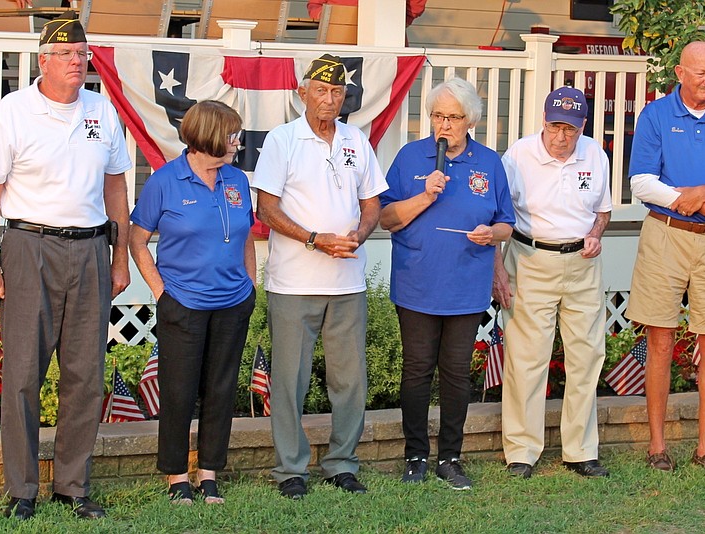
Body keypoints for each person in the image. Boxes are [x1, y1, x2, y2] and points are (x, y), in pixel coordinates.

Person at [0, 11, 131, 520]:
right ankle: (21, 491)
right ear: (43, 60)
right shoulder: (14, 111)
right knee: (22, 373)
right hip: (27, 248)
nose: (77, 62)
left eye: (82, 54)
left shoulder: (102, 112)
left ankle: (72, 485)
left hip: (89, 250)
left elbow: (116, 187)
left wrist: (120, 256)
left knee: (85, 374)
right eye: (66, 54)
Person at [252, 54, 387, 499]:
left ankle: (342, 463)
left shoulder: (356, 139)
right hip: (294, 283)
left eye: (337, 92)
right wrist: (315, 239)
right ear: (302, 93)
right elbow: (266, 209)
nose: (329, 99)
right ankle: (291, 469)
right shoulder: (282, 139)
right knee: (290, 380)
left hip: (347, 282)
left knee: (349, 380)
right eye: (320, 90)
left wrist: (359, 234)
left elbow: (373, 203)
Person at [626, 41, 705, 474]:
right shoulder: (656, 115)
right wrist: (697, 201)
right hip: (665, 236)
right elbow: (642, 182)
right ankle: (657, 446)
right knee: (660, 340)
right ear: (680, 73)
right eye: (701, 73)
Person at [379, 78, 514, 489]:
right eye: (437, 115)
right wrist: (424, 195)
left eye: (452, 117)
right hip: (417, 282)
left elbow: (506, 223)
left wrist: (491, 235)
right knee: (417, 371)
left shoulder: (489, 162)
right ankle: (415, 456)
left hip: (466, 285)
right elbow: (384, 219)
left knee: (455, 373)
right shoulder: (409, 157)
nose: (443, 125)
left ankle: (451, 458)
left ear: (469, 120)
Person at [129, 101, 256, 505]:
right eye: (231, 135)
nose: (237, 142)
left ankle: (209, 473)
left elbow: (247, 236)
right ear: (207, 137)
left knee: (221, 390)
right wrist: (160, 291)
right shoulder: (165, 181)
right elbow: (137, 240)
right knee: (179, 392)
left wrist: (250, 286)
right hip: (182, 303)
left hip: (233, 303)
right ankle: (177, 476)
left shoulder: (236, 180)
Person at [493, 87, 612, 479]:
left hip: (582, 261)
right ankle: (522, 452)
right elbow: (501, 217)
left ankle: (580, 451)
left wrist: (596, 234)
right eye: (555, 127)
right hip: (529, 259)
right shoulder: (518, 156)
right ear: (543, 121)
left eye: (571, 130)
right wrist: (498, 270)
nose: (562, 137)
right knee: (528, 358)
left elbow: (603, 210)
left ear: (582, 127)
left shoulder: (594, 153)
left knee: (587, 356)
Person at [307, 0, 427, 26]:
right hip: (338, 45)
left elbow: (415, 7)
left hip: (386, 47)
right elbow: (315, 6)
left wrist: (399, 23)